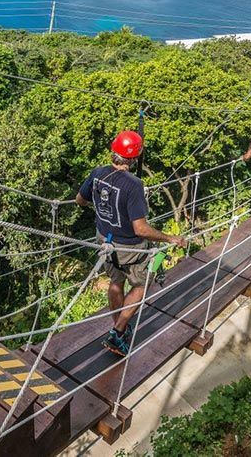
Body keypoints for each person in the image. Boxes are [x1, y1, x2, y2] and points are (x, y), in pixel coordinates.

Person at [76, 131, 186, 357]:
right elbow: (141, 229)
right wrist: (170, 238)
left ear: (113, 151)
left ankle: (119, 326)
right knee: (141, 285)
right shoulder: (134, 184)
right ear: (135, 157)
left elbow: (80, 200)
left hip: (104, 241)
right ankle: (118, 331)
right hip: (130, 247)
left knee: (116, 282)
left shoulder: (97, 173)